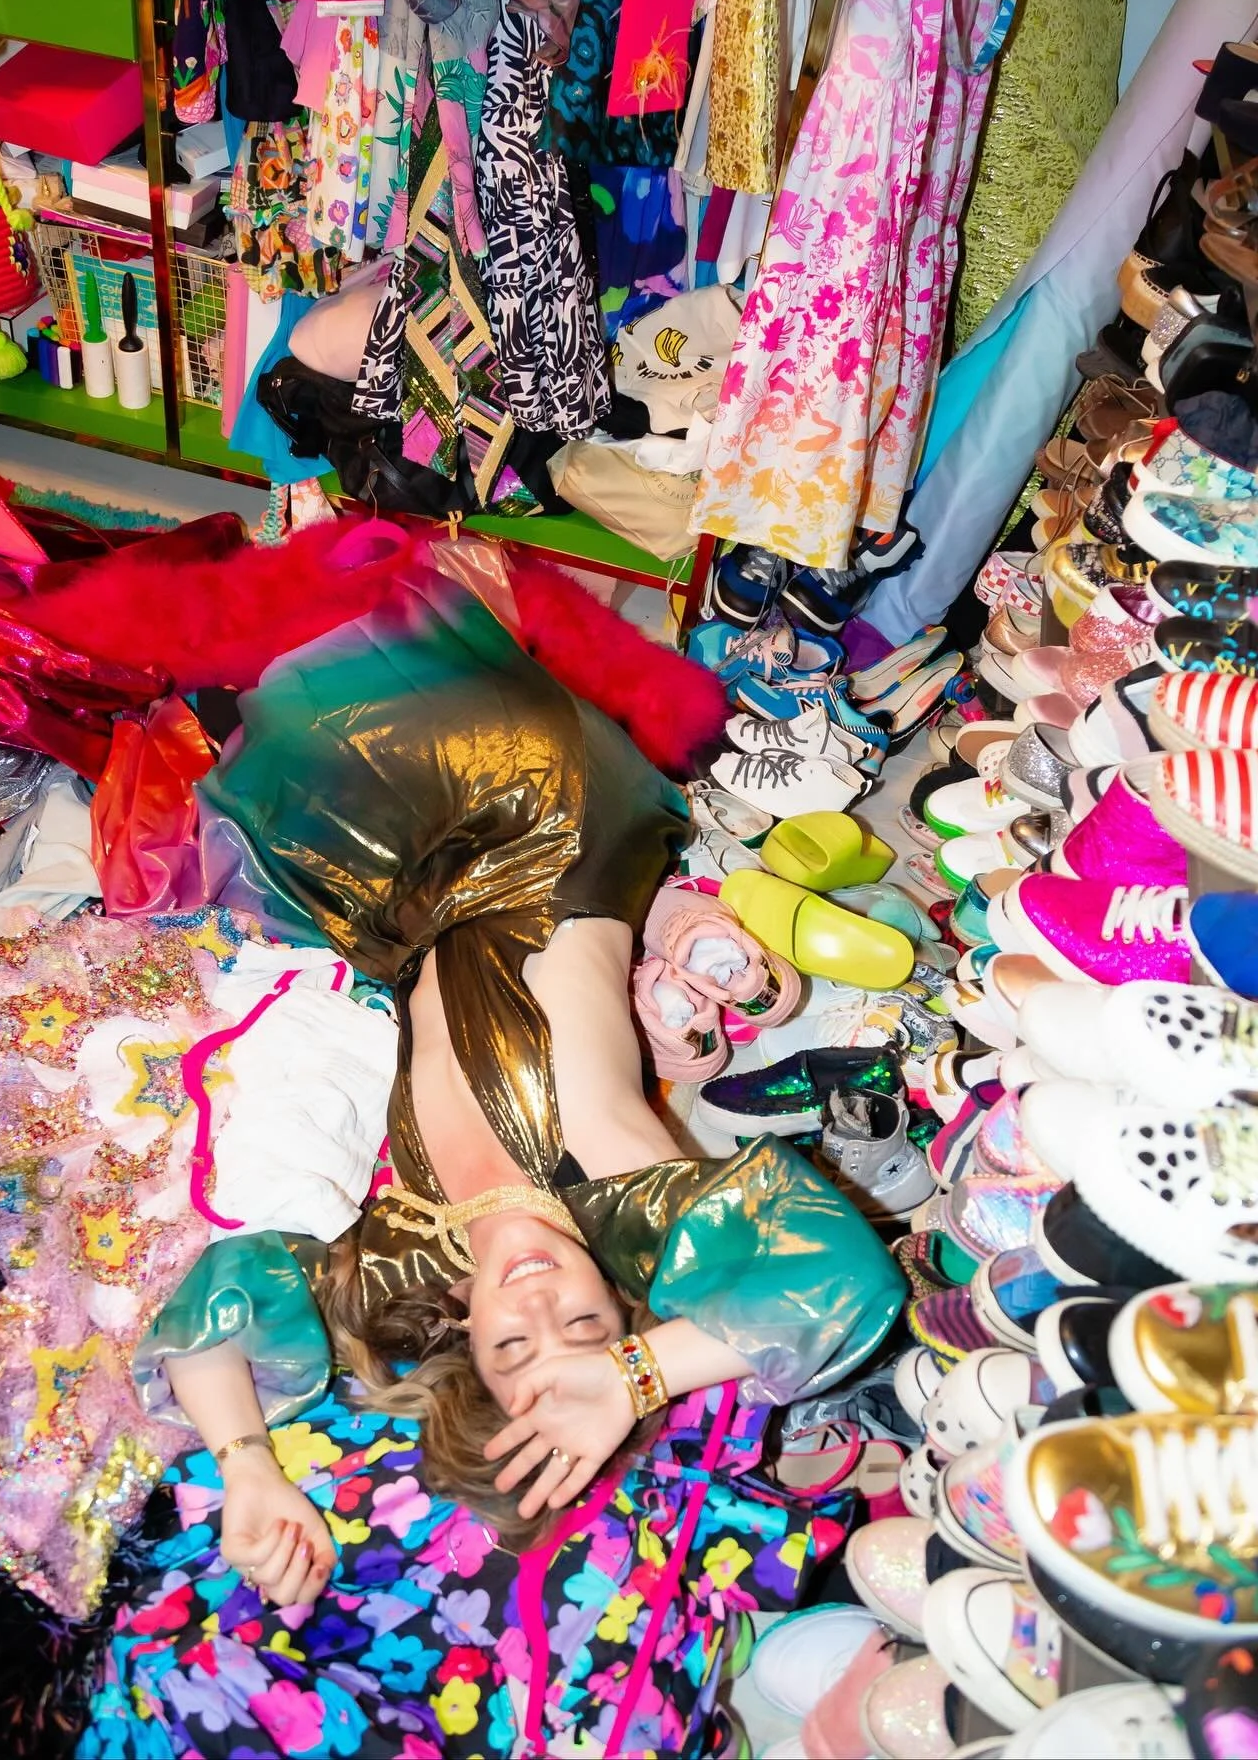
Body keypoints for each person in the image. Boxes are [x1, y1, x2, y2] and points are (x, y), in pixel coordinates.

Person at [135, 542, 906, 1613]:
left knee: (230, 771)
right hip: (549, 819)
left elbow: (217, 1305)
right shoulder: (624, 1199)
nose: (541, 1295)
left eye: (511, 1341)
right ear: (620, 1302)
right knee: (344, 636)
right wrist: (639, 1377)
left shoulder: (415, 1260)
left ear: (465, 1338)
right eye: (587, 1325)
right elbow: (847, 1284)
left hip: (418, 909)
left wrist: (249, 1467)